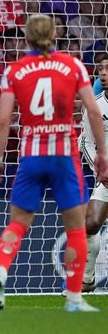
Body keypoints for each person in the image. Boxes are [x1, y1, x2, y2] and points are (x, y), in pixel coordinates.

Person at [0, 14, 108, 313]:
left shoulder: (14, 71)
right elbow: (94, 111)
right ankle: (74, 297)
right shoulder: (72, 65)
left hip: (31, 155)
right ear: (54, 34)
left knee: (17, 223)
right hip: (63, 157)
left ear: (26, 38)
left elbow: (3, 120)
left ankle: (1, 271)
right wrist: (102, 155)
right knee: (78, 228)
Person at [78, 51, 108, 293]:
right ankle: (87, 279)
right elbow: (85, 143)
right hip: (106, 177)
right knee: (90, 223)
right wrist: (100, 171)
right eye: (101, 70)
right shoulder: (94, 106)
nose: (104, 74)